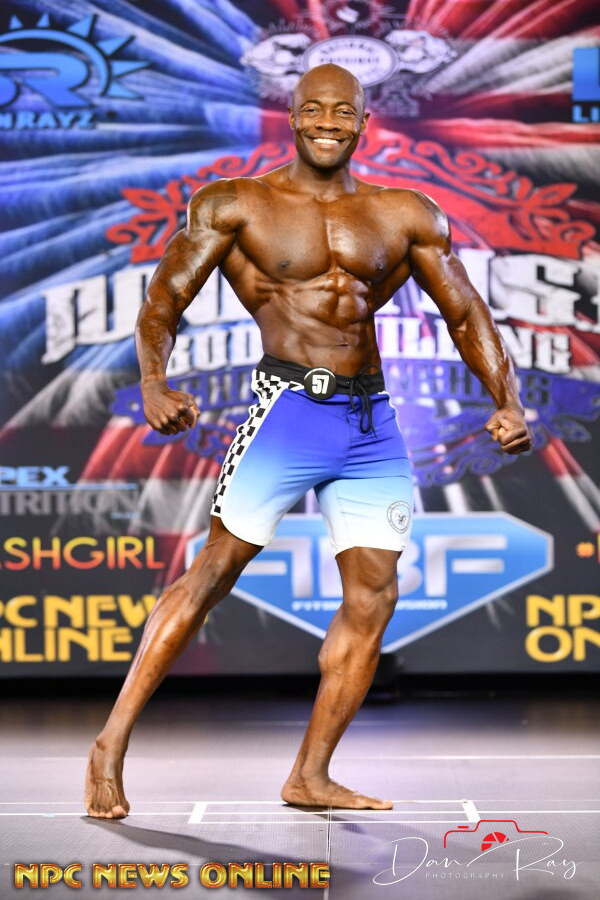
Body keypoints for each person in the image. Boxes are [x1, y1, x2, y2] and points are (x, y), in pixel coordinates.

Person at [85, 63, 531, 818]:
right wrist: (155, 382)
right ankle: (110, 744)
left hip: (371, 423)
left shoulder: (404, 213)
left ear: (364, 123)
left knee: (374, 597)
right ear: (292, 116)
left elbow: (465, 312)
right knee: (212, 575)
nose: (328, 122)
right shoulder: (236, 204)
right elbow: (163, 300)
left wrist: (507, 400)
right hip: (287, 412)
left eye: (343, 111)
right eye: (314, 109)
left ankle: (310, 776)